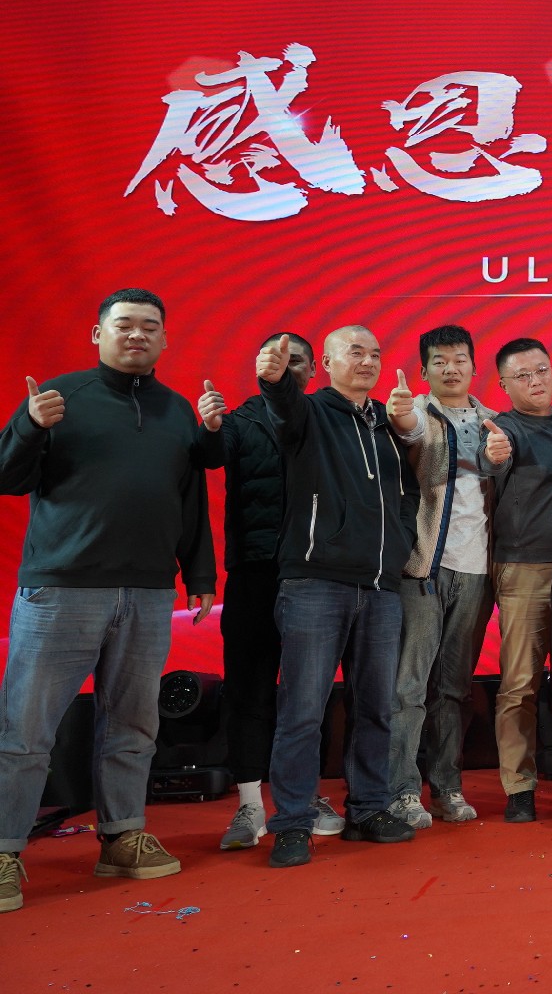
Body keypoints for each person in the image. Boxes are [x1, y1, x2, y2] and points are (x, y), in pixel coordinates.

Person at [0, 289, 224, 909]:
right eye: (124, 325)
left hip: (148, 592)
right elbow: (6, 478)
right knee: (26, 729)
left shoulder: (178, 410)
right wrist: (29, 427)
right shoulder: (57, 398)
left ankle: (122, 837)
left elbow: (189, 500)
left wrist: (199, 574)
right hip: (62, 588)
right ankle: (4, 850)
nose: (137, 335)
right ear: (97, 333)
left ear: (165, 339)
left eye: (150, 326)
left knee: (133, 724)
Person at [258, 327, 424, 868]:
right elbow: (282, 406)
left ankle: (368, 808)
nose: (368, 361)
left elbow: (408, 495)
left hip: (380, 587)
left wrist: (399, 546)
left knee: (376, 707)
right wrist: (274, 381)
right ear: (326, 363)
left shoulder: (389, 424)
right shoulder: (308, 413)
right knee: (303, 711)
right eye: (355, 352)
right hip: (315, 581)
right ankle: (291, 823)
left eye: (375, 354)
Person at [217, 332, 347, 851]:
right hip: (255, 572)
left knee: (310, 693)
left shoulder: (327, 418)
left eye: (297, 362)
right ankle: (249, 805)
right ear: (259, 366)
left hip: (316, 573)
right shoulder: (237, 422)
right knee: (248, 688)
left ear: (313, 371)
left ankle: (306, 796)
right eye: (277, 359)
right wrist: (208, 428)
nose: (287, 368)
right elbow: (207, 456)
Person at [388, 325, 508, 831]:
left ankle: (446, 786)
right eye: (439, 361)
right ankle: (400, 790)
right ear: (424, 370)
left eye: (459, 359)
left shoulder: (496, 422)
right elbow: (410, 431)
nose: (451, 368)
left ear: (474, 368)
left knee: (454, 688)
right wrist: (401, 415)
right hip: (422, 568)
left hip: (477, 570)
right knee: (409, 687)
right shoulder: (415, 411)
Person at [485, 337, 552, 823]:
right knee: (520, 682)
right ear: (504, 384)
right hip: (525, 568)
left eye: (541, 369)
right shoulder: (501, 430)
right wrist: (494, 455)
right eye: (522, 375)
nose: (535, 380)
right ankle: (519, 786)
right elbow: (490, 461)